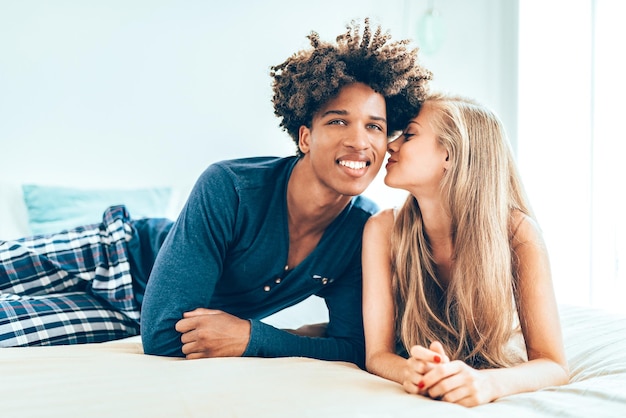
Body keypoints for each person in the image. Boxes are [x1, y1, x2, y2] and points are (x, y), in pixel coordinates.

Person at [1, 19, 431, 370]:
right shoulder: (231, 186)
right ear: (305, 136)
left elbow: (352, 347)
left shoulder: (363, 233)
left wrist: (251, 337)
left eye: (374, 125)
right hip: (116, 254)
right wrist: (253, 334)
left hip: (131, 315)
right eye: (338, 121)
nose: (361, 141)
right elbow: (166, 329)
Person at [361, 93, 569, 406]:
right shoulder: (382, 230)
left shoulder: (517, 233)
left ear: (451, 155)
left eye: (410, 134)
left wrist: (487, 383)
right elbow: (378, 354)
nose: (391, 144)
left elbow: (553, 364)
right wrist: (411, 372)